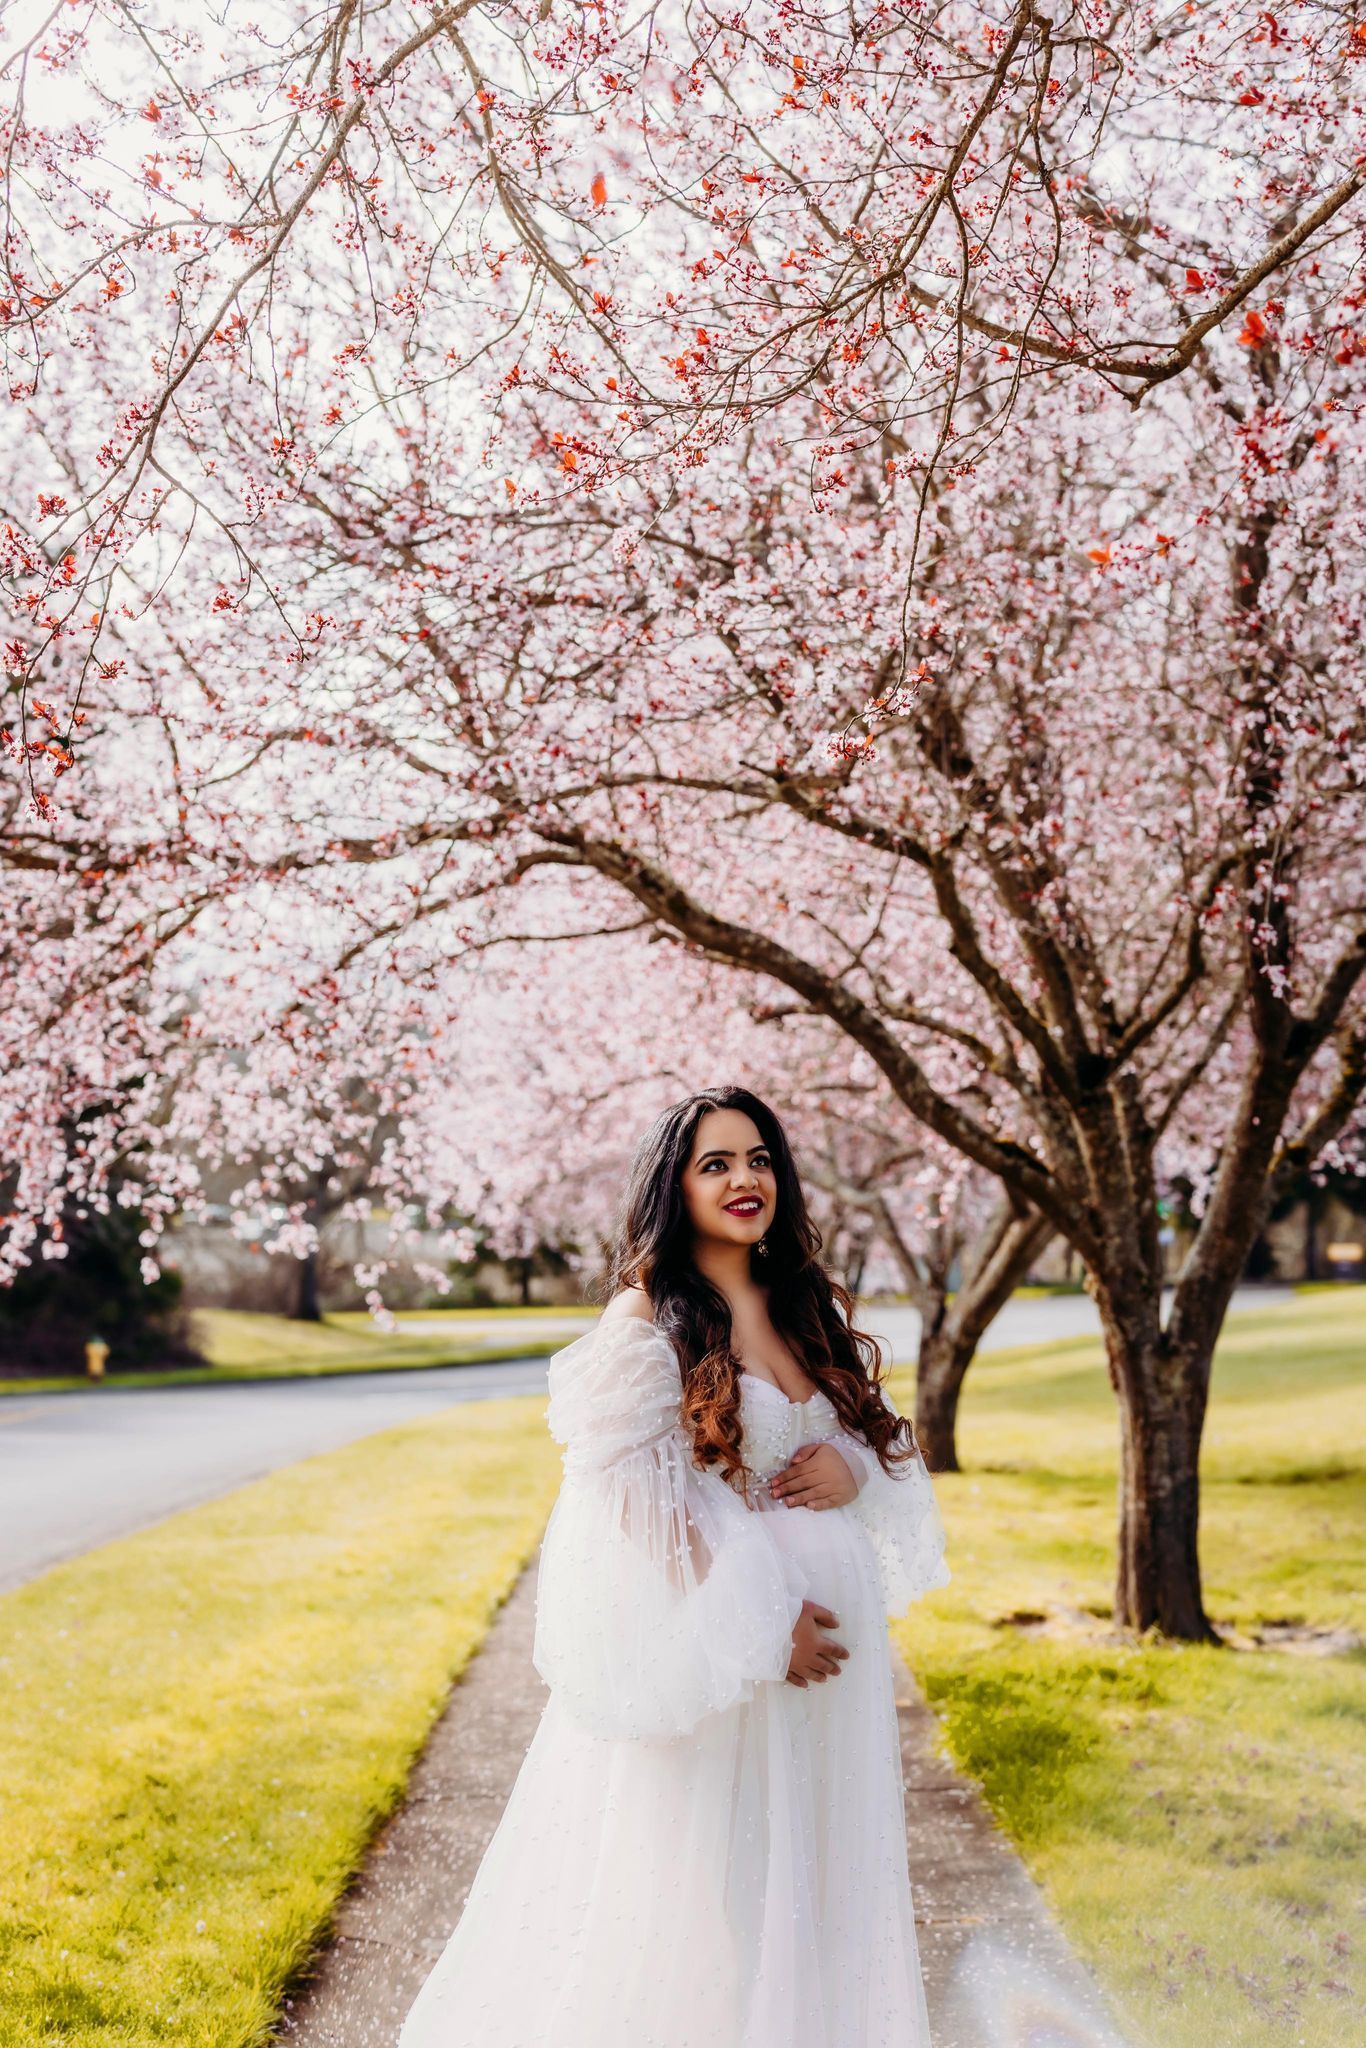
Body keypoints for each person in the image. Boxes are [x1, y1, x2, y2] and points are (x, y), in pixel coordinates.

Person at [398, 1085, 950, 2048]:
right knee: (720, 1894)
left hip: (829, 1683)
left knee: (819, 1882)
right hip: (730, 1663)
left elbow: (882, 1451)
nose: (746, 1180)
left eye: (760, 1159)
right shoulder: (648, 1315)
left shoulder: (802, 1302)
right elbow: (628, 1499)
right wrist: (759, 1619)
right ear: (676, 1185)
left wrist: (853, 1469)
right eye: (716, 1164)